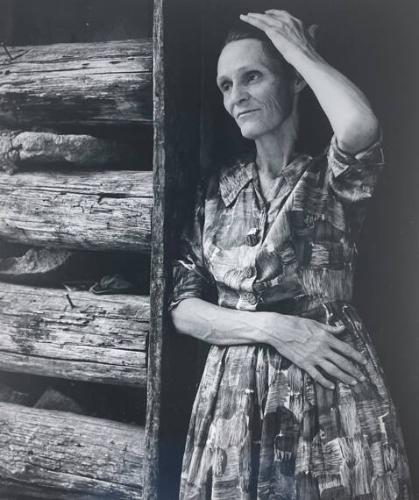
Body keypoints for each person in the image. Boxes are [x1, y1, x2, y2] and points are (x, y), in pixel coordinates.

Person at [169, 9, 412, 499]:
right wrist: (278, 329)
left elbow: (360, 125)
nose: (235, 96)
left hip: (329, 402)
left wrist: (298, 50)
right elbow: (183, 309)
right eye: (224, 85)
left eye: (252, 76)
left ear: (293, 79)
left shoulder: (330, 178)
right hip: (233, 410)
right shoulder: (216, 191)